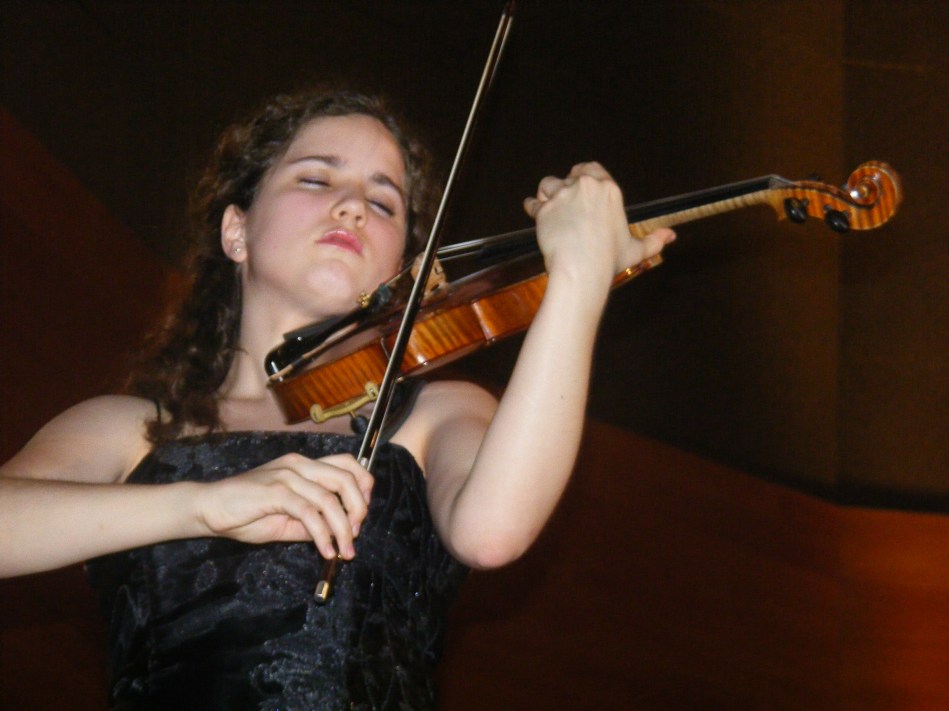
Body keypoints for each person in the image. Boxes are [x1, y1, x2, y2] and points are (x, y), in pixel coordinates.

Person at [0, 87, 674, 709]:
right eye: (316, 178)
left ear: (399, 271)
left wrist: (578, 276)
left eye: (384, 203)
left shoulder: (434, 416)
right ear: (237, 229)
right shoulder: (130, 429)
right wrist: (202, 504)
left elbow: (492, 532)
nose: (352, 206)